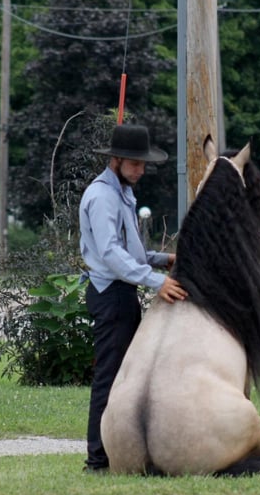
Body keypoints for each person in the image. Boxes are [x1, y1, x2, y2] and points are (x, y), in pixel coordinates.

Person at [78, 123, 187, 473]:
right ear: (117, 160)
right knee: (109, 378)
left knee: (125, 376)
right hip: (111, 295)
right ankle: (97, 459)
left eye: (143, 164)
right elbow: (109, 253)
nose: (141, 170)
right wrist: (156, 281)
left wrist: (160, 259)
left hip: (121, 292)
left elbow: (129, 250)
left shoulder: (121, 192)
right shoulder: (102, 196)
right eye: (135, 163)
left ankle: (118, 449)